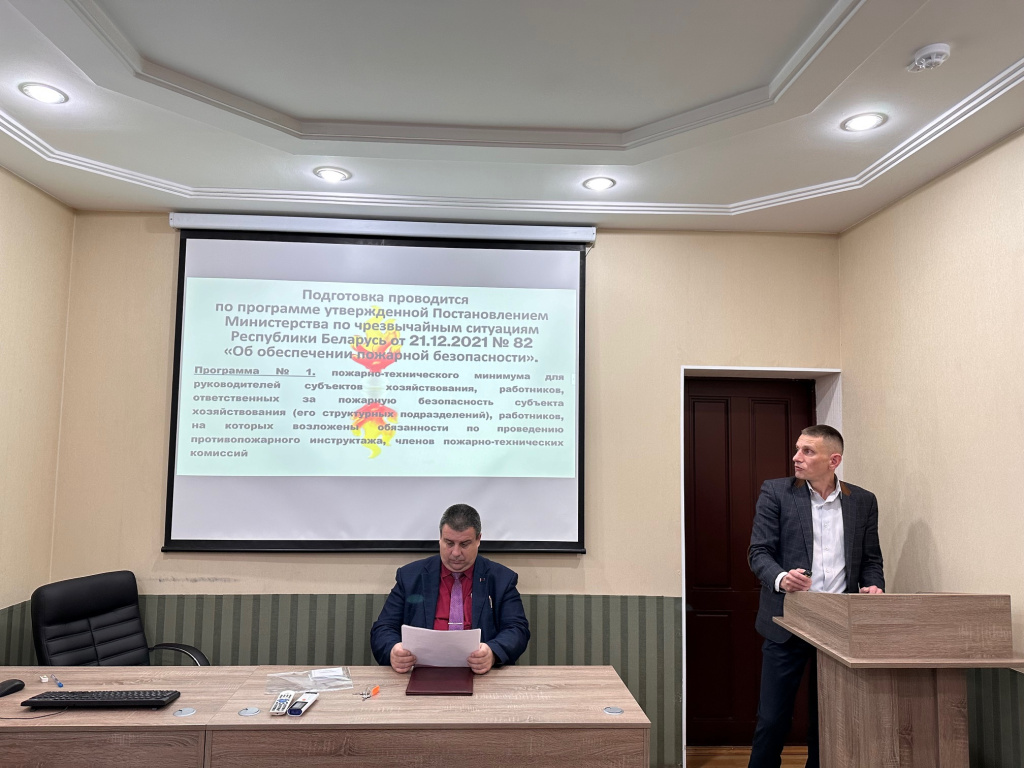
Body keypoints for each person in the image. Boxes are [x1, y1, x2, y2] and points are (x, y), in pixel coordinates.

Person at [747, 425, 884, 768]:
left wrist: (873, 586)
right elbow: (758, 552)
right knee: (773, 719)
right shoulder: (776, 492)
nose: (797, 457)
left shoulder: (863, 501)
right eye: (798, 449)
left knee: (829, 719)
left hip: (839, 624)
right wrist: (782, 578)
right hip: (787, 620)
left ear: (833, 460)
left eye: (807, 451)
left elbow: (871, 559)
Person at [370, 503, 530, 674]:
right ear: (440, 538)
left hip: (481, 674)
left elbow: (517, 629)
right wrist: (393, 650)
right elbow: (383, 628)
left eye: (464, 544)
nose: (455, 553)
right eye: (449, 543)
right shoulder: (410, 576)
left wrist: (492, 653)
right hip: (420, 671)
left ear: (478, 540)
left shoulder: (501, 579)